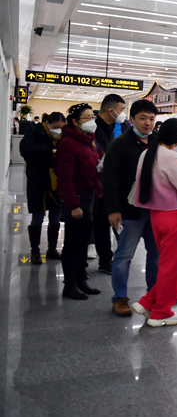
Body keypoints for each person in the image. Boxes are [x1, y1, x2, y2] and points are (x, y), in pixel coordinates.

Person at [129, 119, 177, 326]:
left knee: (172, 263)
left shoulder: (147, 154)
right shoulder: (171, 157)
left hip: (156, 215)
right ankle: (161, 312)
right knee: (174, 264)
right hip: (175, 215)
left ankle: (148, 302)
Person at [103, 99, 160, 316]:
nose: (148, 123)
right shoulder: (120, 144)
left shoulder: (158, 143)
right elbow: (109, 179)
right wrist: (113, 209)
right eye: (143, 118)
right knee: (124, 255)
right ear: (132, 119)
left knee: (155, 255)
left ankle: (152, 296)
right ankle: (120, 297)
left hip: (155, 210)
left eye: (152, 119)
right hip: (128, 212)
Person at [56, 104, 103, 300]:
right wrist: (73, 205)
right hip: (77, 199)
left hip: (90, 196)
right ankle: (70, 284)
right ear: (75, 122)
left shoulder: (89, 141)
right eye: (87, 118)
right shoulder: (68, 143)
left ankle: (82, 279)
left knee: (83, 242)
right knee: (72, 244)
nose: (91, 121)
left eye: (93, 117)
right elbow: (64, 177)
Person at [20, 112, 66, 263]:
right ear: (48, 124)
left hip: (56, 182)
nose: (58, 130)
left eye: (61, 128)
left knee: (55, 216)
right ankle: (35, 251)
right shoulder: (34, 132)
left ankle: (52, 249)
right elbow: (25, 151)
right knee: (38, 217)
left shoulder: (64, 137)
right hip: (38, 180)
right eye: (56, 127)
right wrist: (50, 151)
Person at [91, 94, 129, 273]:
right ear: (111, 110)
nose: (122, 114)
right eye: (121, 110)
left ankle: (121, 256)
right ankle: (105, 260)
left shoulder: (118, 126)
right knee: (101, 223)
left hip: (117, 181)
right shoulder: (93, 127)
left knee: (120, 222)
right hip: (97, 182)